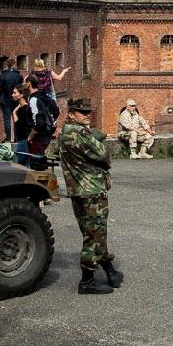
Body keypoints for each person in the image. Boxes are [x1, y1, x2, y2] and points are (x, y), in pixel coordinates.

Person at [56, 98, 122, 295]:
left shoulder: (66, 132)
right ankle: (87, 281)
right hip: (91, 191)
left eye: (88, 112)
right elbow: (104, 156)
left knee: (95, 232)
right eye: (81, 112)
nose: (86, 115)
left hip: (79, 191)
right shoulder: (80, 134)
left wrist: (94, 135)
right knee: (94, 236)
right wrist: (98, 138)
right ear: (71, 114)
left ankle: (110, 271)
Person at [0, 59, 23, 141]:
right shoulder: (18, 75)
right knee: (16, 118)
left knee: (7, 119)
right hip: (15, 99)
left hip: (5, 99)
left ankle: (8, 137)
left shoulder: (3, 74)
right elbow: (21, 87)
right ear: (14, 65)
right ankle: (16, 138)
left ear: (7, 65)